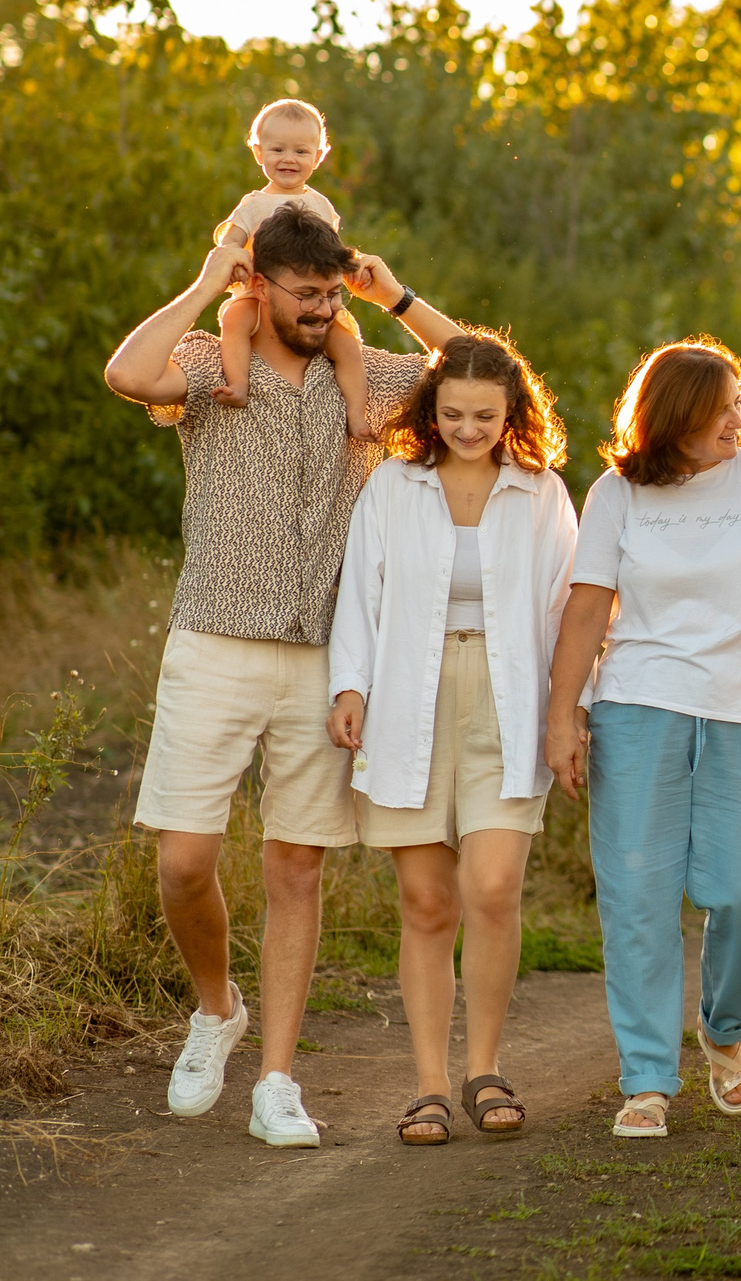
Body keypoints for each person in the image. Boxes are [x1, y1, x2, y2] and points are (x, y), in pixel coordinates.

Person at [103, 206, 467, 1148]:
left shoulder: (368, 374)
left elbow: (481, 379)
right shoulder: (207, 363)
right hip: (213, 642)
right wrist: (206, 277)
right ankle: (217, 1007)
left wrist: (399, 300)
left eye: (332, 294)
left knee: (295, 867)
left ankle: (276, 1077)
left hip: (325, 657)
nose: (321, 310)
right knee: (184, 862)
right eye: (305, 294)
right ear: (260, 286)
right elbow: (123, 373)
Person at [541, 339, 741, 1140]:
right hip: (639, 702)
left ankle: (723, 1026)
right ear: (676, 414)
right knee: (638, 898)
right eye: (722, 405)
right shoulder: (617, 493)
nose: (737, 417)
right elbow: (587, 608)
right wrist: (563, 713)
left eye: (738, 402)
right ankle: (648, 1078)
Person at [327, 332, 578, 1145]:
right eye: (453, 414)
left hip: (509, 702)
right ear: (430, 414)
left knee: (494, 887)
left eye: (486, 415)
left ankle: (486, 1066)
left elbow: (571, 608)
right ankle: (431, 1083)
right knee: (428, 902)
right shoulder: (394, 486)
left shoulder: (540, 494)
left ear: (512, 414)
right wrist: (350, 686)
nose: (469, 428)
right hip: (409, 698)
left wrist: (568, 711)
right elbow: (360, 593)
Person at [210, 98, 374, 438]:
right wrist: (234, 259)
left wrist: (352, 266)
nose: (288, 159)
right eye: (277, 149)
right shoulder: (254, 204)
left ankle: (357, 415)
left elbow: (331, 250)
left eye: (301, 152)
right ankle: (239, 383)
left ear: (318, 156)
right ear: (258, 153)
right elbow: (230, 240)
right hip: (260, 291)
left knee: (347, 345)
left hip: (314, 297)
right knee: (233, 320)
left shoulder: (319, 204)